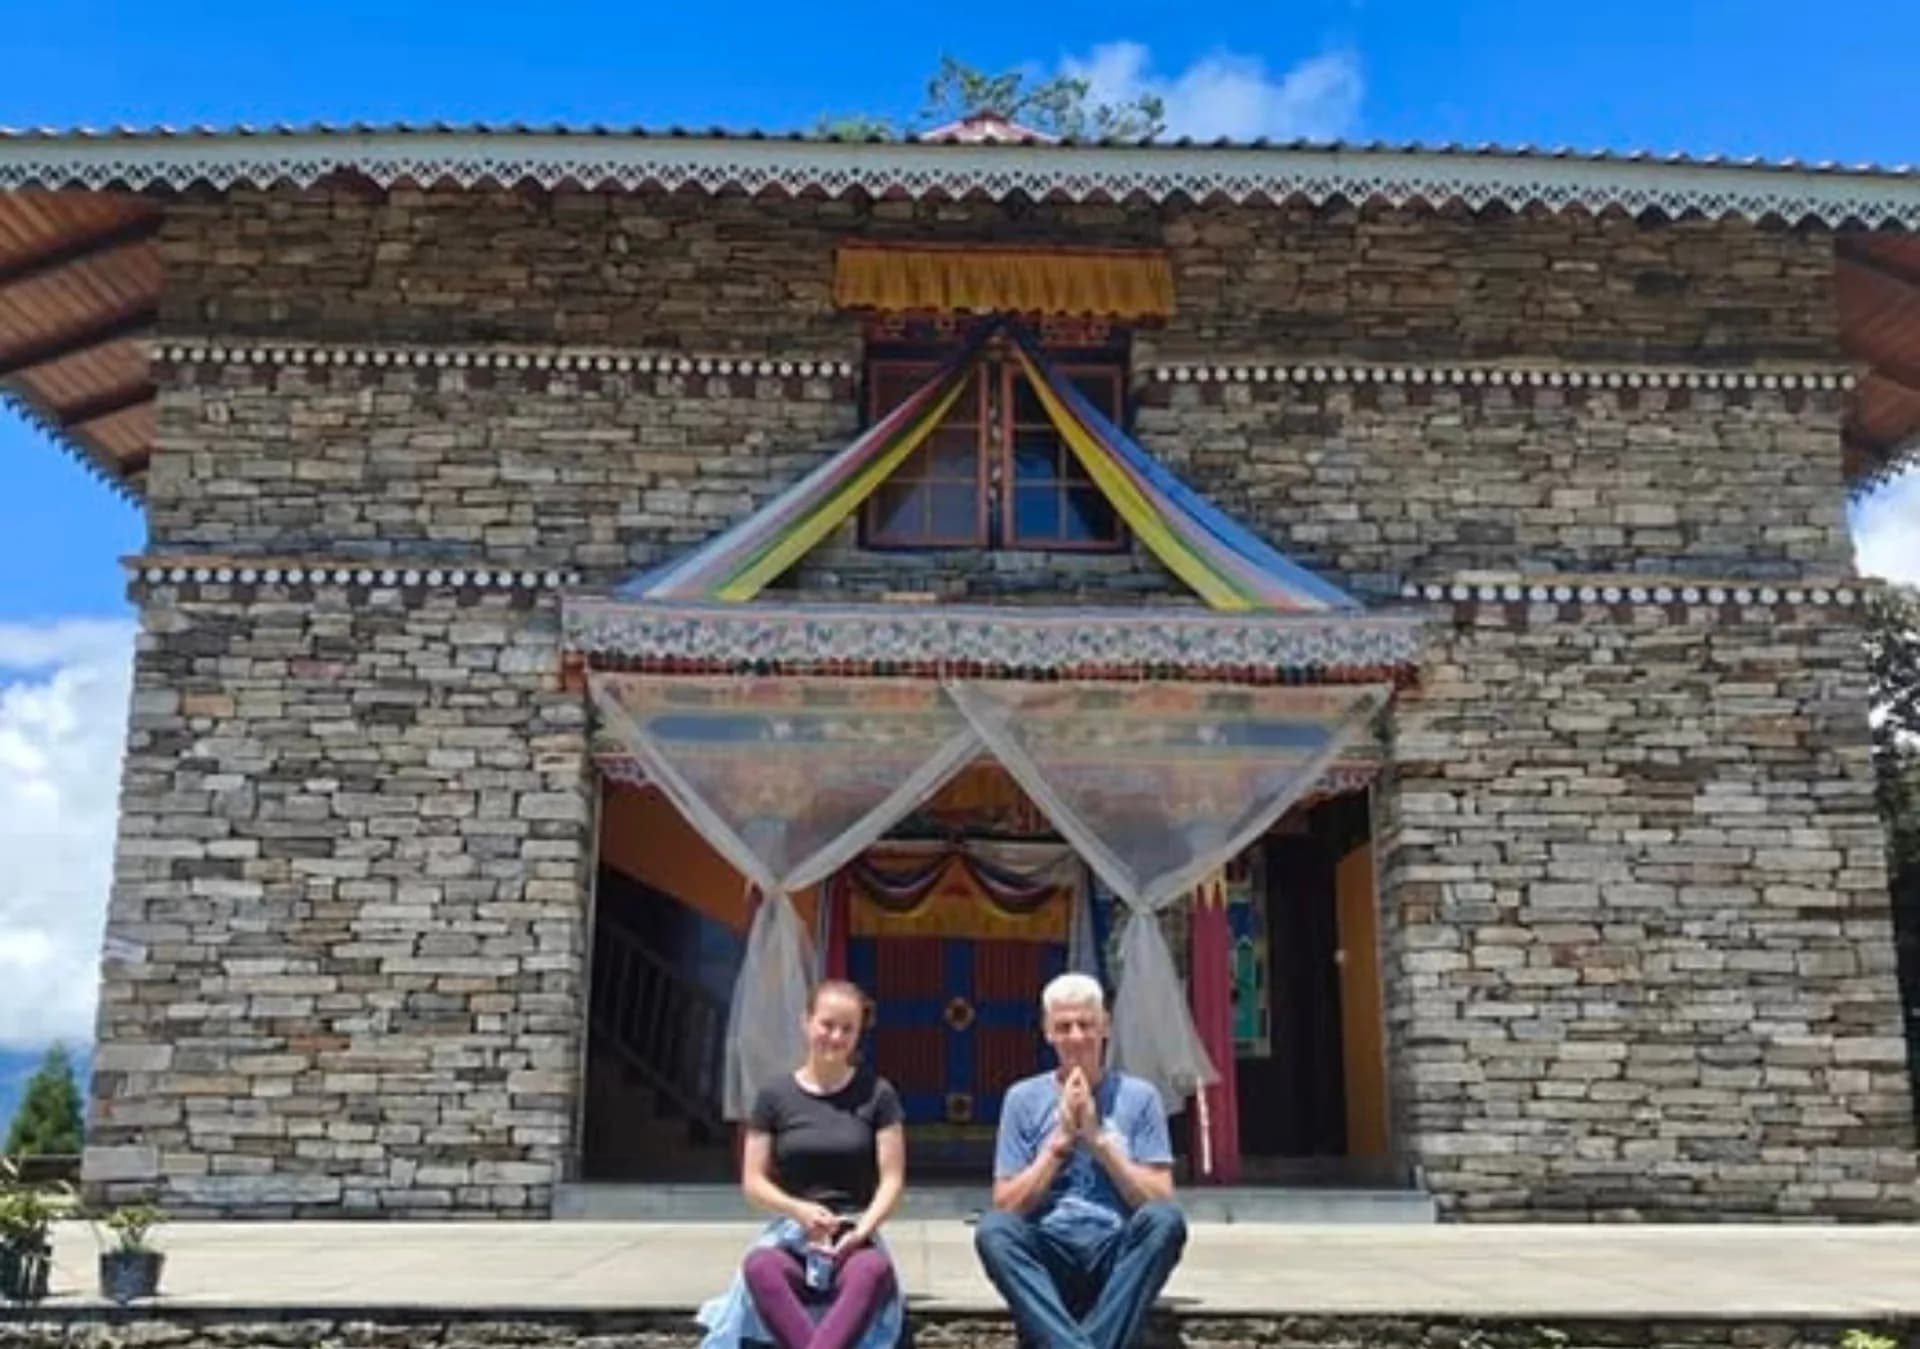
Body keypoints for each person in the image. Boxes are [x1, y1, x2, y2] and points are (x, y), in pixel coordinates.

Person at [974, 972, 1187, 1349]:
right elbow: (1006, 1203)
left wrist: (1098, 1140)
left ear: (1104, 1027)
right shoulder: (1022, 1099)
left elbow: (1160, 1200)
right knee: (994, 1231)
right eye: (1064, 1026)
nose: (1075, 1037)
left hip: (1114, 1247)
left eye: (1086, 1025)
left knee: (1165, 1222)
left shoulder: (1139, 1098)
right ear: (1047, 1032)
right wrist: (1059, 1143)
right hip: (1049, 1245)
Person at [698, 978, 907, 1349]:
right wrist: (799, 1210)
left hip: (853, 1232)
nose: (836, 1037)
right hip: (793, 1233)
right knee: (760, 1267)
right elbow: (753, 1180)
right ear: (807, 1022)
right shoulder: (774, 1097)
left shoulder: (878, 1094)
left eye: (848, 1029)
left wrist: (861, 1232)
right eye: (827, 1024)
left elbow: (891, 1180)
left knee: (872, 1270)